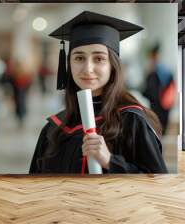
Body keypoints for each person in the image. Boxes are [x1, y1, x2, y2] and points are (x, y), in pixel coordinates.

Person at [29, 11, 168, 174]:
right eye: (79, 58)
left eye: (99, 58)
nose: (88, 68)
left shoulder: (132, 121)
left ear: (112, 65)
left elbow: (158, 184)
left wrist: (111, 161)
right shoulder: (53, 129)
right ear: (69, 64)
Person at [143, 43, 176, 135]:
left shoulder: (160, 69)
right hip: (160, 103)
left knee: (160, 125)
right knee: (158, 125)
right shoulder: (157, 69)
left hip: (161, 103)